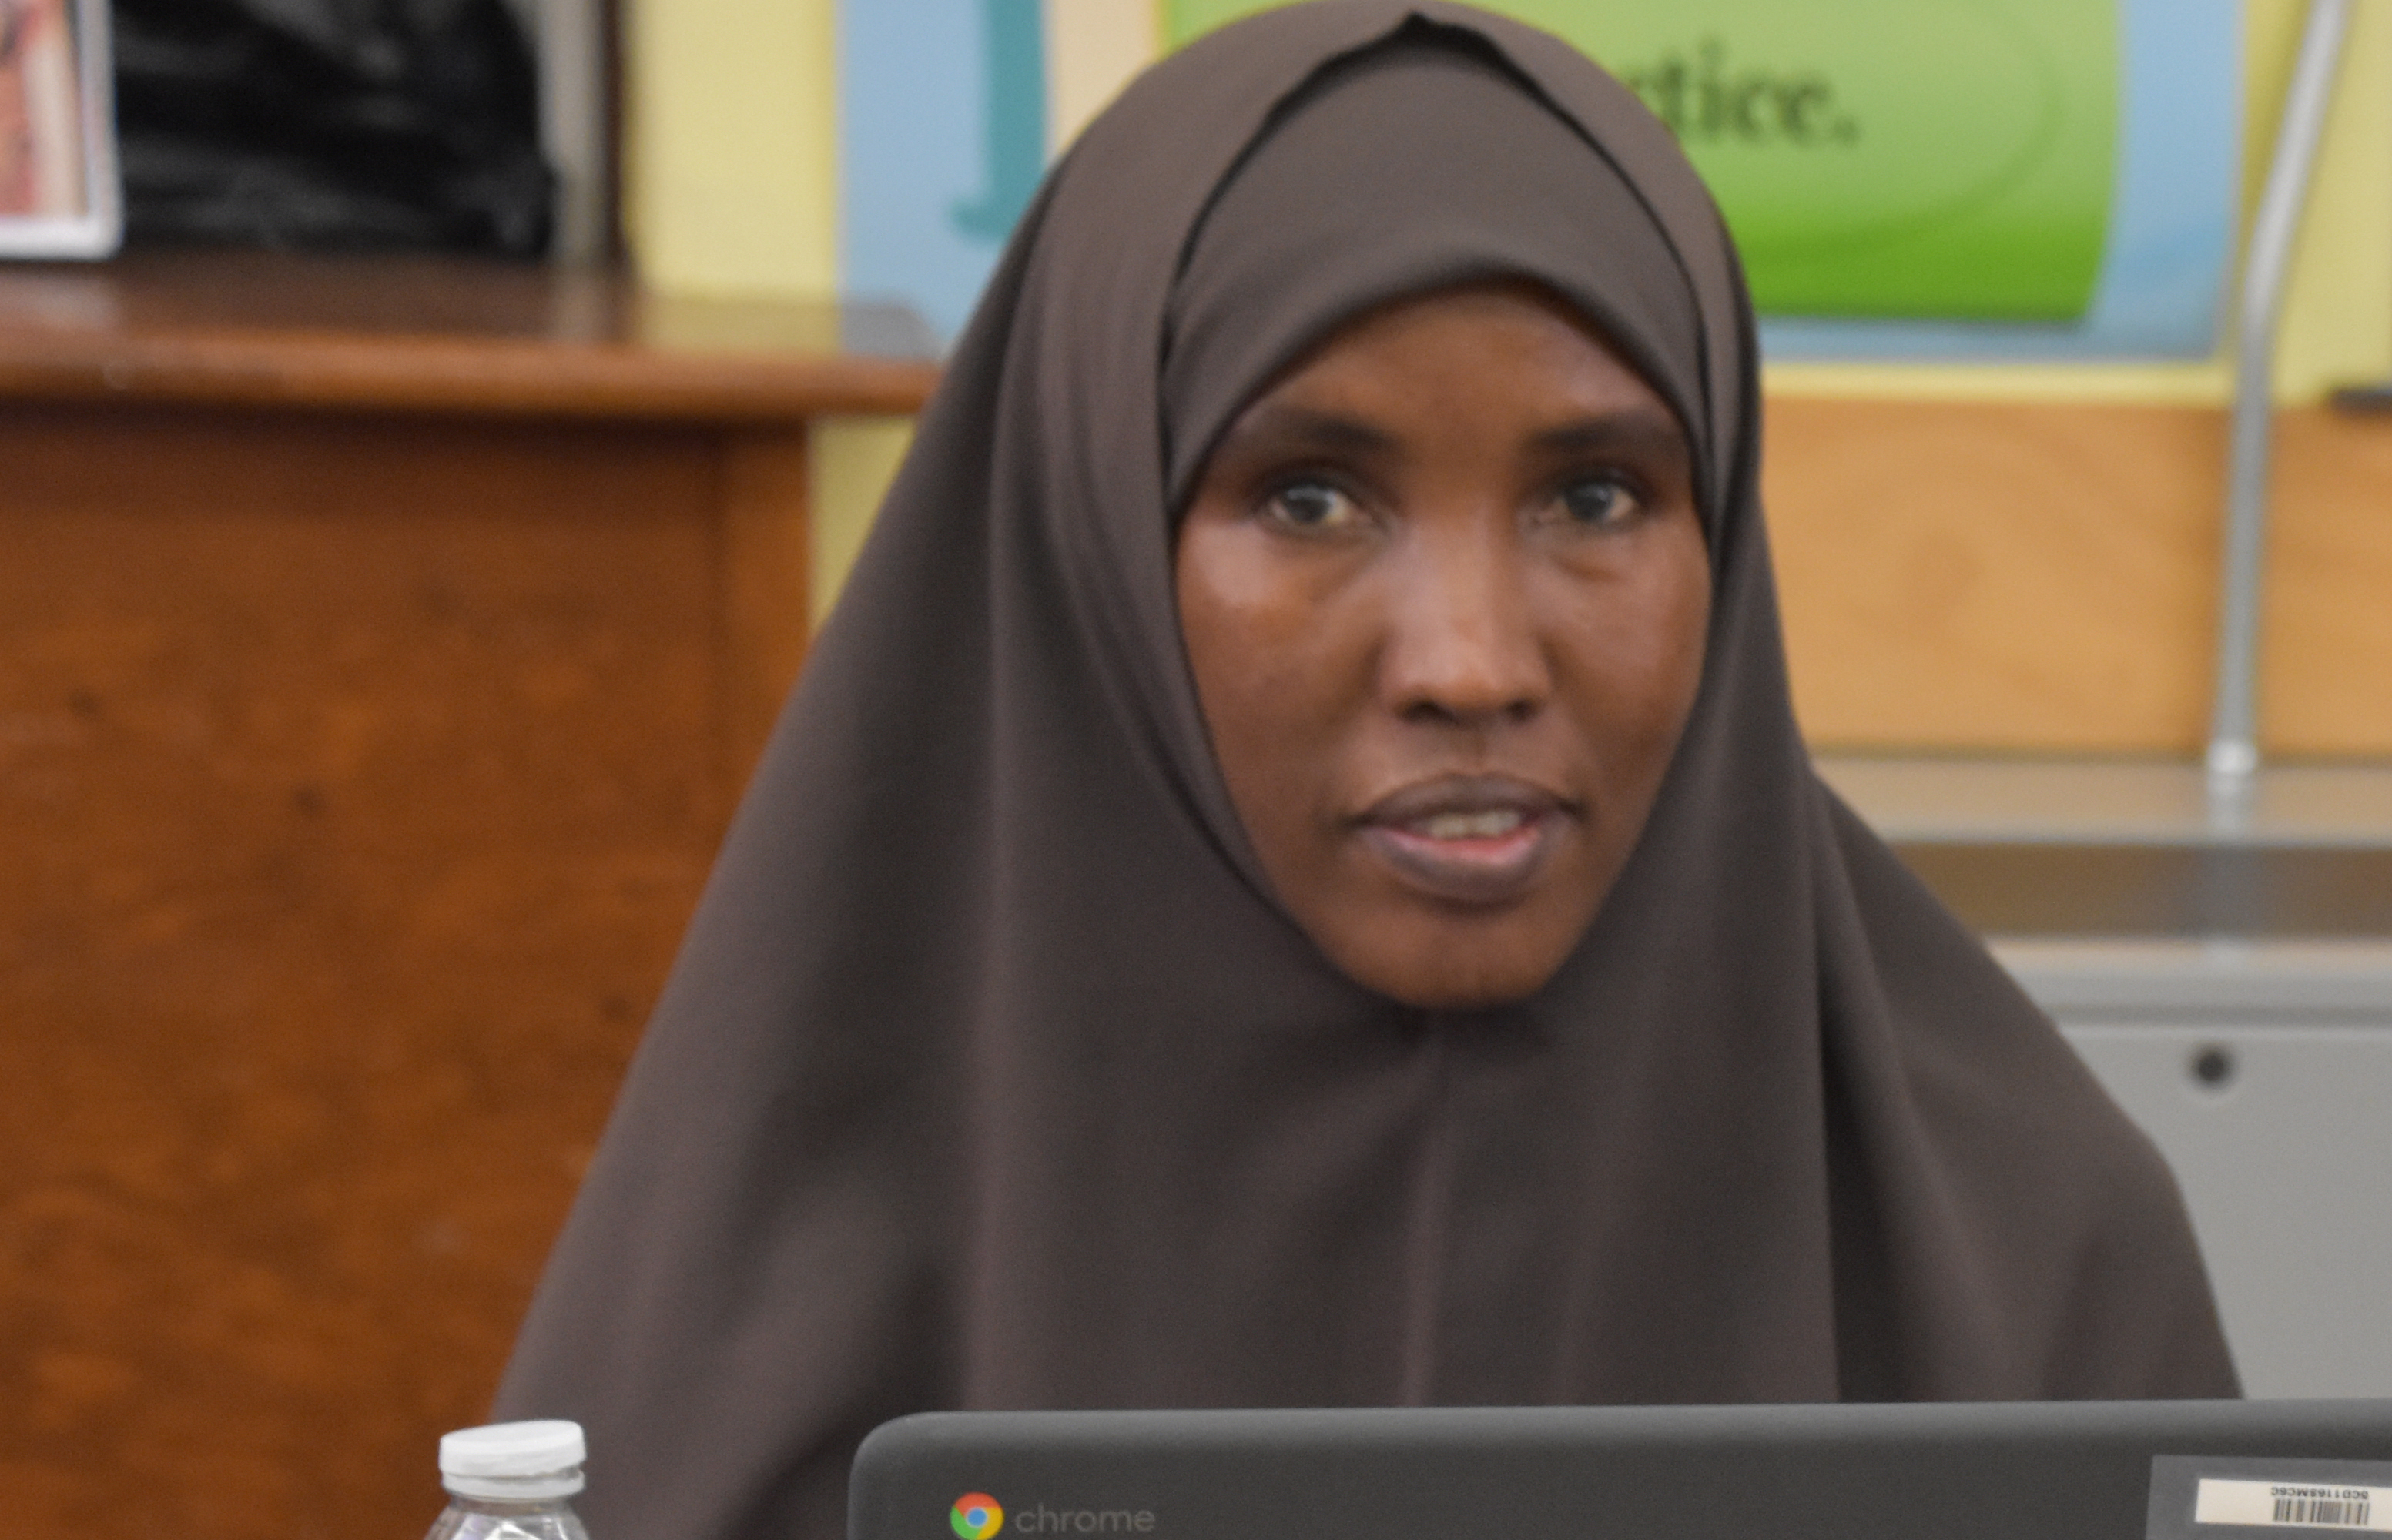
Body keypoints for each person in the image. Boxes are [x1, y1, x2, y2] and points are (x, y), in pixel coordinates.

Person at [489, 9, 2238, 1540]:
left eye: (1598, 498)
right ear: (1093, 542)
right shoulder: (764, 1314)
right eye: (1312, 497)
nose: (1471, 662)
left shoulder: (2031, 1267)